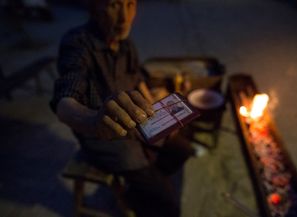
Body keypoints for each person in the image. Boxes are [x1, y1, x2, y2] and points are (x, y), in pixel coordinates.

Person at [50, 0, 194, 216]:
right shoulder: (78, 44)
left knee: (183, 150)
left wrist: (156, 104)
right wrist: (93, 121)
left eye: (130, 4)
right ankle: (147, 186)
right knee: (169, 206)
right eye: (114, 5)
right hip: (106, 139)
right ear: (94, 7)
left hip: (139, 125)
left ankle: (143, 186)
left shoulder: (124, 43)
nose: (124, 17)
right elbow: (65, 100)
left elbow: (137, 77)